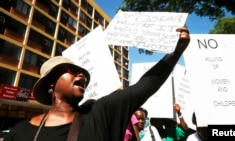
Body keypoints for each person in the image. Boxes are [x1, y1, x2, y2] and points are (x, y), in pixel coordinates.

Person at [4, 26, 190, 141]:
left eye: (82, 72)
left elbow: (145, 87)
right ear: (51, 85)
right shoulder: (19, 132)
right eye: (70, 70)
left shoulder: (100, 112)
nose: (80, 75)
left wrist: (176, 52)